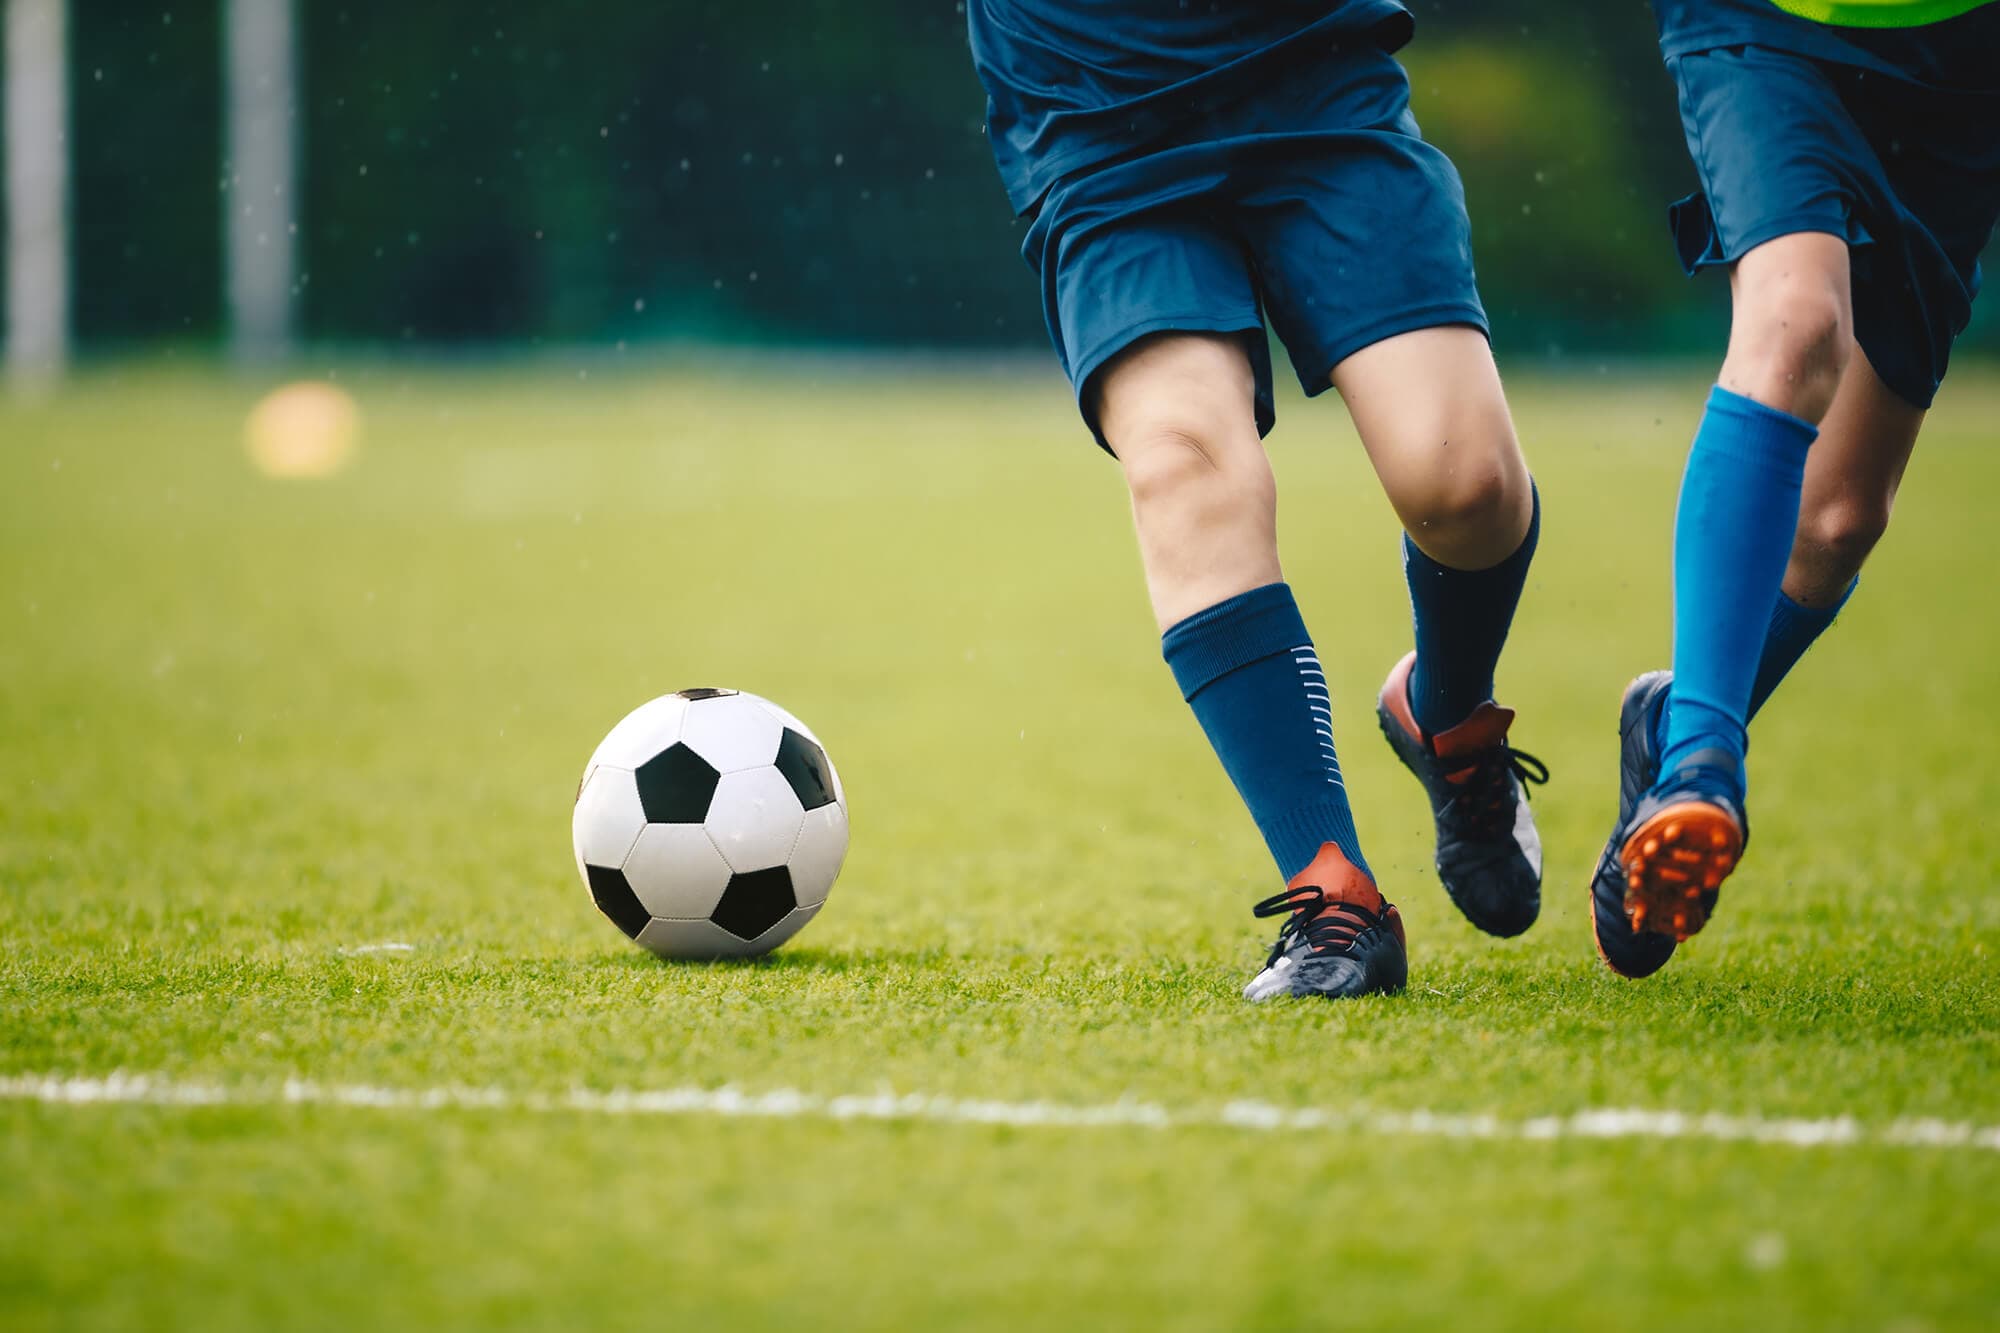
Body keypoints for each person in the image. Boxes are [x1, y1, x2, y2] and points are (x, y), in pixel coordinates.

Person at [965, 1, 1548, 1000]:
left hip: (1314, 81)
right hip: (1096, 113)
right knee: (1178, 460)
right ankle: (1334, 894)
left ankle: (1445, 714)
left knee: (1462, 485)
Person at [1592, 0, 2000, 978]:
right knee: (1794, 322)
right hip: (1765, 24)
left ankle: (1670, 723)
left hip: (1960, 59)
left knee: (1838, 517)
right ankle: (1697, 762)